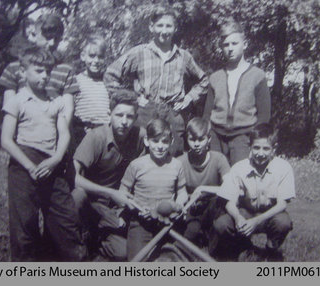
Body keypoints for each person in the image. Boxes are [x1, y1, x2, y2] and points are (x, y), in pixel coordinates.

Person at [0, 47, 86, 262]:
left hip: (52, 162)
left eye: (48, 71)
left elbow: (64, 133)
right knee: (24, 222)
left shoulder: (54, 101)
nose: (45, 76)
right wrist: (29, 166)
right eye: (39, 71)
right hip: (23, 163)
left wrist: (56, 158)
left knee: (65, 217)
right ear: (22, 71)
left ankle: (71, 262)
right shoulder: (17, 101)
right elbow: (6, 140)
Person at [104, 5, 208, 156]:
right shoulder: (139, 52)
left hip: (173, 113)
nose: (164, 31)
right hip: (146, 112)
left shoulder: (183, 56)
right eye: (159, 25)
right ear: (151, 27)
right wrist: (133, 99)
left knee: (173, 158)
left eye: (168, 26)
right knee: (139, 157)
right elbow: (110, 74)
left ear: (175, 28)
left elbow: (203, 80)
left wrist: (189, 98)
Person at [72, 90, 145, 261]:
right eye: (119, 115)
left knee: (123, 253)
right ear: (109, 115)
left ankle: (97, 239)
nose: (124, 122)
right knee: (77, 196)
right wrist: (111, 193)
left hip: (118, 207)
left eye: (130, 116)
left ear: (136, 118)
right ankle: (78, 241)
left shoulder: (140, 137)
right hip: (91, 202)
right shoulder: (96, 137)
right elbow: (73, 178)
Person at [210, 123, 295, 261]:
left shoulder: (283, 167)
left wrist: (257, 221)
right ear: (250, 147)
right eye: (256, 148)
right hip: (246, 214)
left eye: (266, 148)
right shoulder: (239, 167)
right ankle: (242, 247)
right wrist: (238, 217)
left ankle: (271, 249)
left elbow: (282, 204)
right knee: (222, 224)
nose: (260, 153)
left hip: (270, 216)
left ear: (274, 148)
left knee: (283, 222)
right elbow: (229, 202)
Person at [203, 19, 271, 165]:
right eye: (226, 45)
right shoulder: (215, 77)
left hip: (243, 136)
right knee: (216, 177)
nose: (230, 48)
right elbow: (207, 114)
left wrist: (256, 140)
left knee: (240, 176)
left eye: (234, 43)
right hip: (216, 135)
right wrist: (207, 135)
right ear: (221, 47)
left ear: (244, 44)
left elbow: (264, 116)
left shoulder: (257, 76)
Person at [119, 118, 188, 261]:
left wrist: (180, 205)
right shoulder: (136, 165)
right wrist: (137, 208)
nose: (160, 146)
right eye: (155, 141)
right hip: (141, 222)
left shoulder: (176, 165)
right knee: (138, 261)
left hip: (167, 222)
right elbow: (122, 192)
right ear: (146, 141)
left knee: (172, 259)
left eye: (164, 141)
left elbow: (182, 192)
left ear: (171, 142)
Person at [0, 14, 76, 124]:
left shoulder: (66, 70)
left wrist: (57, 134)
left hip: (56, 133)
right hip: (23, 134)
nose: (52, 43)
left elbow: (68, 110)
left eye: (57, 39)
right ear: (34, 34)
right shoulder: (15, 68)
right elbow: (9, 109)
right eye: (47, 38)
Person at [177, 117, 230, 248]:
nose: (196, 144)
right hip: (192, 208)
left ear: (209, 139)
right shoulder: (180, 162)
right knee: (190, 234)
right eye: (192, 139)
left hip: (214, 207)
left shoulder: (219, 159)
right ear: (186, 139)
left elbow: (231, 187)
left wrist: (203, 188)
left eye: (201, 139)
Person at [70, 34, 111, 156]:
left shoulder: (108, 81)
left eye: (100, 57)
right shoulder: (75, 81)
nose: (96, 61)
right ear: (83, 56)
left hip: (105, 134)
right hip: (83, 133)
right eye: (92, 56)